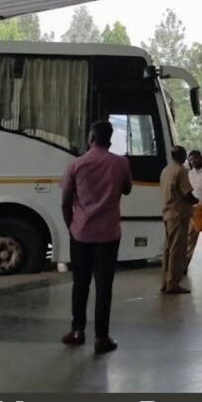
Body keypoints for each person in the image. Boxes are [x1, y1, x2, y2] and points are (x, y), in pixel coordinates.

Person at [59, 120, 132, 354]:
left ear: (91, 138)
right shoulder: (121, 163)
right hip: (109, 234)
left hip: (81, 233)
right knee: (104, 286)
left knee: (80, 284)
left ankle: (78, 331)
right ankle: (102, 337)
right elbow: (127, 189)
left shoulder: (75, 164)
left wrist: (71, 225)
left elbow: (65, 200)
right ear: (109, 140)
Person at [159, 146, 197, 295]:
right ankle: (173, 283)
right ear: (183, 156)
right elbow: (187, 193)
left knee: (168, 248)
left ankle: (165, 281)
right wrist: (195, 200)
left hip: (167, 213)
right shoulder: (181, 171)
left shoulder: (165, 170)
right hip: (179, 215)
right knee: (177, 249)